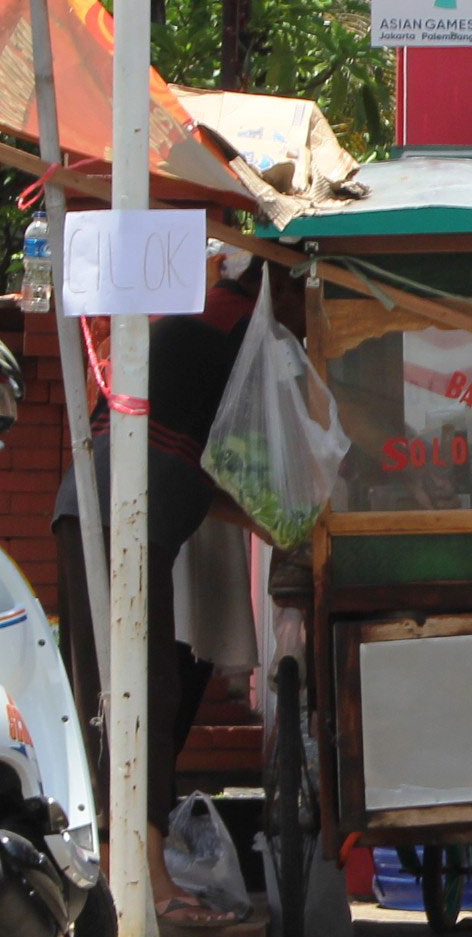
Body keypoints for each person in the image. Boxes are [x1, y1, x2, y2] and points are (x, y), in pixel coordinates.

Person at [52, 251, 273, 930]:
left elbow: (206, 466)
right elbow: (252, 465)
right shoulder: (242, 334)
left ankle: (117, 880)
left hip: (87, 504)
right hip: (124, 512)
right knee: (138, 693)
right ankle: (145, 886)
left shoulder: (189, 317)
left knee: (118, 693)